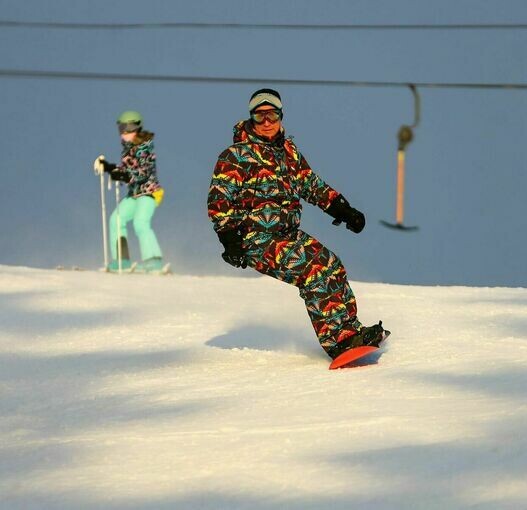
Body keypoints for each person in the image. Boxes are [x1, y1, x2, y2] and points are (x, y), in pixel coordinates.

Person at [207, 88, 388, 360]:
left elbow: (310, 184)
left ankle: (351, 332)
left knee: (331, 265)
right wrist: (230, 239)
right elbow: (219, 199)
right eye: (260, 116)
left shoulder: (287, 153)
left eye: (272, 115)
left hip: (287, 234)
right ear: (251, 119)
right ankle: (338, 342)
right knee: (313, 271)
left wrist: (343, 209)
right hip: (257, 239)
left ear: (281, 116)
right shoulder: (236, 155)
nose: (267, 122)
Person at [93, 110, 167, 273]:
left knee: (141, 222)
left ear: (136, 128)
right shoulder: (128, 149)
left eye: (128, 127)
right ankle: (122, 260)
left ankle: (154, 260)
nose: (124, 132)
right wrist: (110, 168)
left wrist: (125, 175)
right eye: (122, 128)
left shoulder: (144, 146)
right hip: (134, 194)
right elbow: (126, 169)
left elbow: (143, 172)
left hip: (148, 192)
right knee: (116, 219)